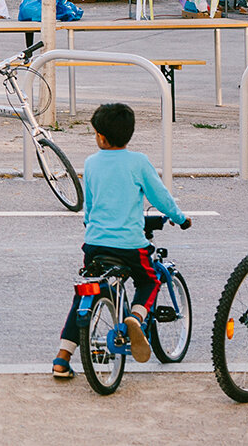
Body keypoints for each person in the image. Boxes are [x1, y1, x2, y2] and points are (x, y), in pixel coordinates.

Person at [49, 102, 189, 379]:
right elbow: (160, 196)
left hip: (94, 245)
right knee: (150, 279)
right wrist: (180, 218)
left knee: (86, 293)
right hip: (130, 247)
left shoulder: (90, 163)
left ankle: (62, 358)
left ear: (100, 136)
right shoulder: (138, 162)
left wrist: (92, 225)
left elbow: (89, 208)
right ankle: (135, 319)